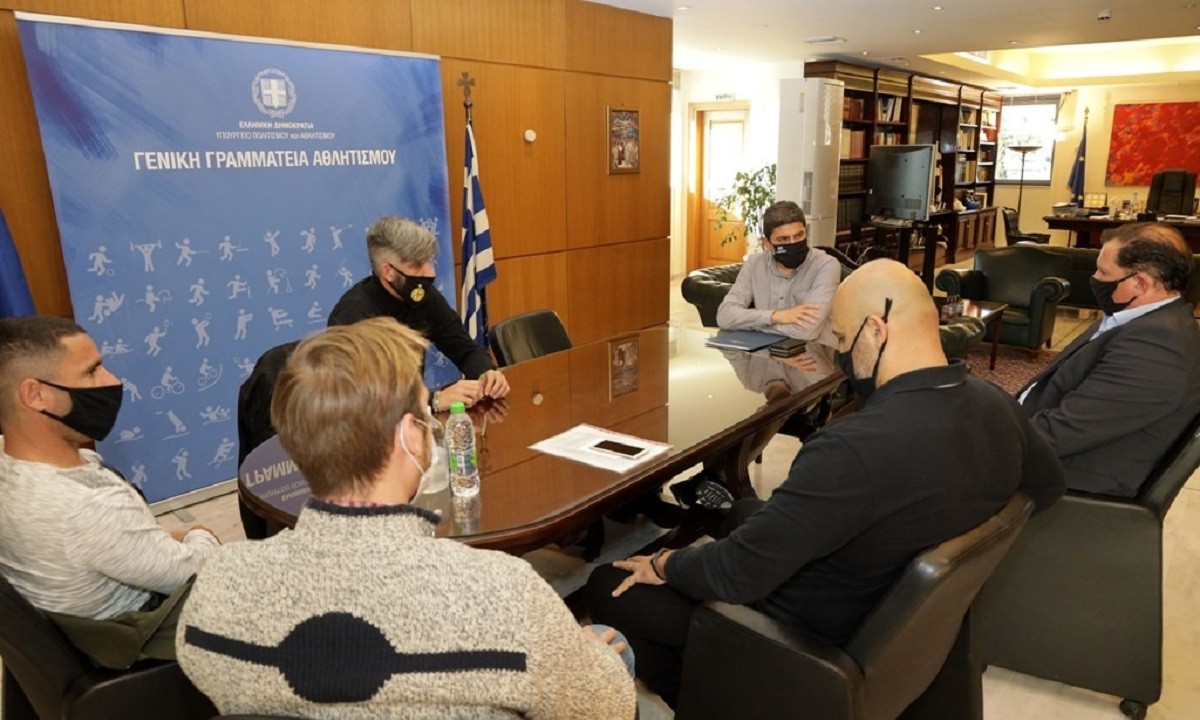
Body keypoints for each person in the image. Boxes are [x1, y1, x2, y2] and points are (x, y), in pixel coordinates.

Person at [585, 259, 1065, 708]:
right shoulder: (997, 405)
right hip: (885, 606)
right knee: (743, 513)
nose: (839, 354)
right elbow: (1044, 489)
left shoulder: (851, 449)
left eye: (840, 338)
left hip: (800, 640)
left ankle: (715, 695)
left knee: (607, 583)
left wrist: (665, 562)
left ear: (875, 331)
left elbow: (735, 574)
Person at [177, 318, 634, 718]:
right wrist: (585, 660)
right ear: (410, 439)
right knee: (609, 646)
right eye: (425, 413)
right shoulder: (506, 593)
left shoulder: (218, 586)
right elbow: (605, 708)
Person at [0, 316, 218, 665]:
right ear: (36, 395)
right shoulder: (89, 507)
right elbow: (201, 568)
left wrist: (155, 544)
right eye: (91, 371)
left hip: (73, 629)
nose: (112, 381)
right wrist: (200, 534)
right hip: (138, 639)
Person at [1018, 222, 1200, 496]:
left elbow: (1063, 432)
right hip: (1041, 440)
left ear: (1140, 283)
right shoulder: (1140, 320)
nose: (1095, 279)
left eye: (1103, 272)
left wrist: (985, 440)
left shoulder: (1157, 348)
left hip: (1063, 481)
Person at [329, 215, 509, 411]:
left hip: (415, 419)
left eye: (428, 261)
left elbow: (465, 350)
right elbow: (358, 395)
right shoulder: (351, 316)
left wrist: (486, 374)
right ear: (389, 272)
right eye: (417, 265)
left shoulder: (423, 296)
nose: (430, 272)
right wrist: (433, 400)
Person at [716, 200, 842, 345]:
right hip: (766, 353)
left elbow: (806, 331)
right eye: (783, 239)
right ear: (767, 243)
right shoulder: (754, 264)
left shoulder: (826, 265)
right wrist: (775, 316)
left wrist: (754, 325)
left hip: (813, 353)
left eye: (799, 235)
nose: (793, 243)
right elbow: (724, 316)